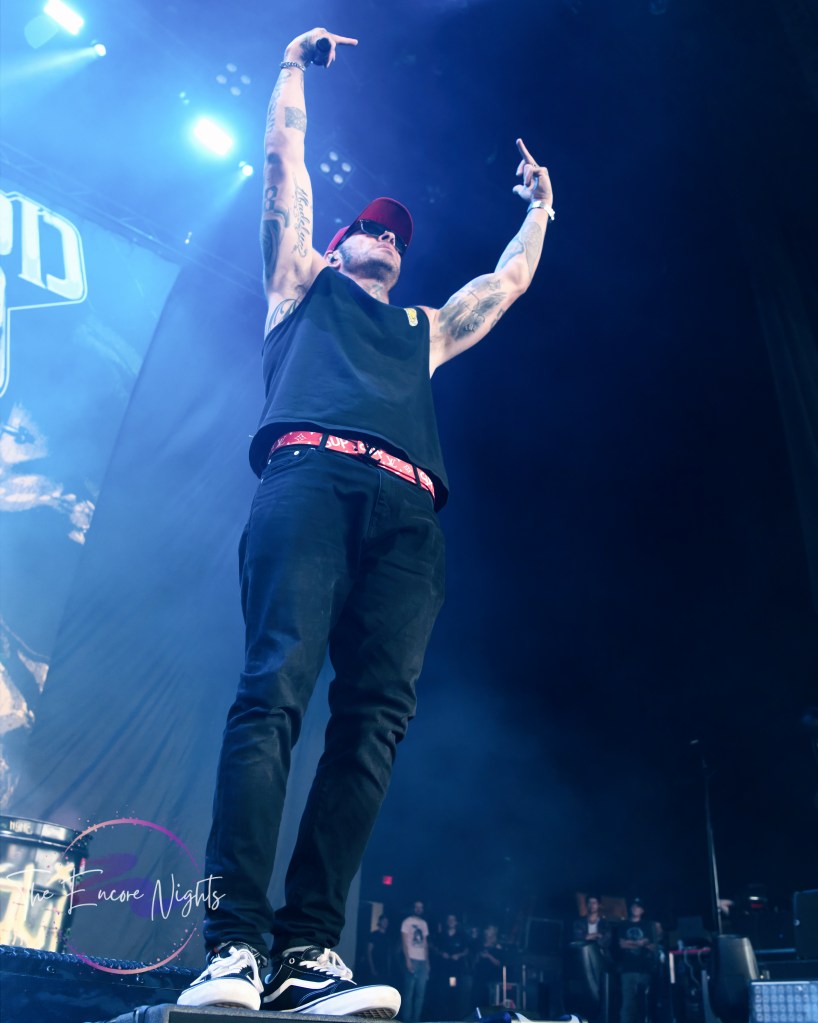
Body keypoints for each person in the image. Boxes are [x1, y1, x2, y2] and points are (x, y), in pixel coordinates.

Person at [178, 24, 554, 1016]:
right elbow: (283, 164)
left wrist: (540, 211)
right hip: (310, 478)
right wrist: (290, 68)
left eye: (397, 235)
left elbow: (505, 285)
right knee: (273, 693)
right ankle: (233, 944)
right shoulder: (299, 283)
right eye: (372, 228)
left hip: (408, 520)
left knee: (373, 724)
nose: (386, 237)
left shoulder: (424, 330)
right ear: (338, 242)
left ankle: (308, 951)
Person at [613, 898, 662, 1023]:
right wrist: (640, 943)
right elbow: (622, 944)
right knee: (628, 1004)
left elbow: (652, 945)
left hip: (645, 969)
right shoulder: (624, 925)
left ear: (642, 910)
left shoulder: (648, 925)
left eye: (638, 907)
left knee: (645, 1004)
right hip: (628, 969)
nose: (636, 909)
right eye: (634, 906)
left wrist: (631, 943)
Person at [401, 901, 431, 1022]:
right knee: (409, 993)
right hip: (412, 959)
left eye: (421, 907)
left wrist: (427, 962)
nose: (419, 909)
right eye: (417, 907)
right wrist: (407, 960)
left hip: (422, 961)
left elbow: (425, 944)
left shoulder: (424, 923)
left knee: (420, 994)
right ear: (413, 908)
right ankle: (407, 1019)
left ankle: (416, 1019)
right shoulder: (406, 922)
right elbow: (404, 943)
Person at [366, 914, 392, 985]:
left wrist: (389, 968)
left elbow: (388, 953)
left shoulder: (388, 937)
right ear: (380, 922)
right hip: (375, 966)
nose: (385, 923)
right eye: (383, 921)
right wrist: (372, 968)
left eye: (386, 922)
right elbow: (369, 952)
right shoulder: (373, 935)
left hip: (384, 969)